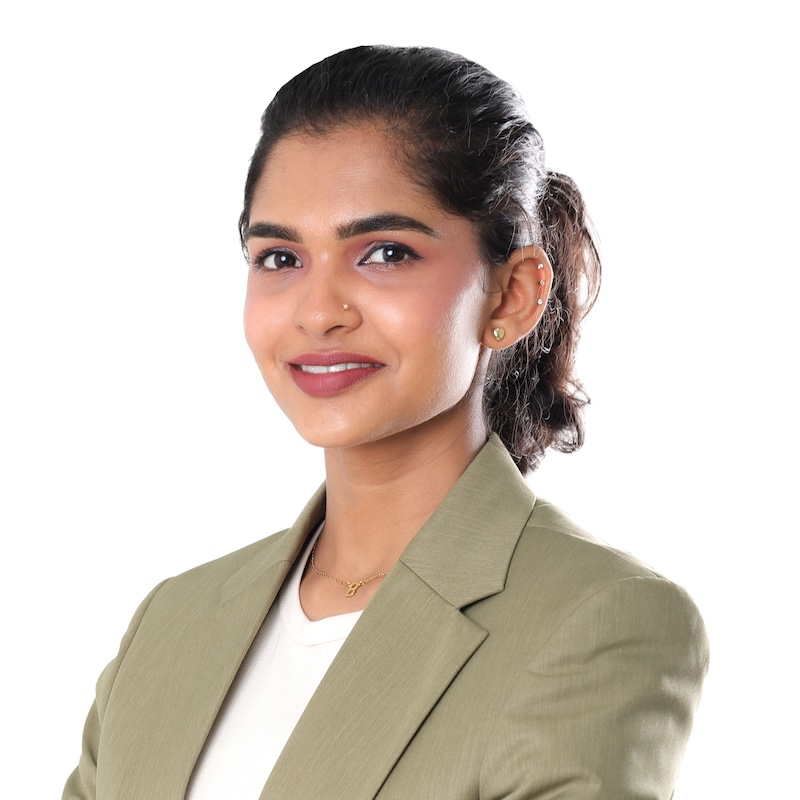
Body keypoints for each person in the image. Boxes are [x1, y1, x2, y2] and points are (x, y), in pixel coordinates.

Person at [63, 45, 708, 800]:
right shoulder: (170, 622)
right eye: (279, 258)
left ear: (511, 294)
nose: (317, 312)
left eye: (385, 252)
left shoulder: (595, 618)